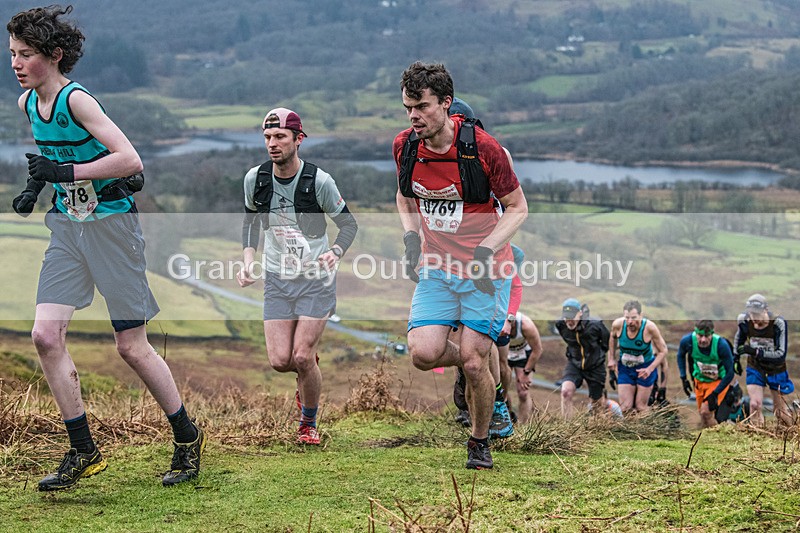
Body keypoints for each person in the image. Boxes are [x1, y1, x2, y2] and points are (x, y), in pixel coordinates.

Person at [7, 5, 203, 490]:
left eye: (25, 54)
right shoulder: (27, 103)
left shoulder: (78, 102)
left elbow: (128, 158)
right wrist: (38, 188)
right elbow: (53, 160)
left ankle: (186, 438)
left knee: (130, 347)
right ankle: (83, 451)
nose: (15, 62)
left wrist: (64, 175)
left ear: (53, 56)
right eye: (11, 53)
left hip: (113, 231)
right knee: (45, 336)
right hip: (68, 230)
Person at [394, 62, 527, 470]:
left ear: (446, 104)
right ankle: (480, 360)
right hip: (438, 268)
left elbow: (519, 208)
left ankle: (479, 441)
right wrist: (412, 238)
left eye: (422, 106)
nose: (414, 116)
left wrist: (486, 249)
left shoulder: (484, 149)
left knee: (473, 361)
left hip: (486, 273)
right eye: (407, 107)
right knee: (423, 352)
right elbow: (404, 195)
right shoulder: (405, 146)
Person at [237, 107, 358, 445]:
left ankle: (308, 424)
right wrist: (248, 260)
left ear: (298, 139)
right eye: (267, 137)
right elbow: (249, 223)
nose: (272, 144)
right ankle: (309, 371)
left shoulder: (318, 181)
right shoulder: (255, 179)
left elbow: (348, 224)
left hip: (315, 280)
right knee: (280, 361)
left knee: (301, 357)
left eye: (280, 137)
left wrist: (334, 253)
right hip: (277, 277)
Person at [733, 294, 794, 426]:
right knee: (754, 405)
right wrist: (735, 358)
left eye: (756, 314)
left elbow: (781, 354)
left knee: (780, 412)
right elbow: (739, 338)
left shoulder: (778, 323)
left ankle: (793, 435)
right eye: (751, 314)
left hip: (776, 369)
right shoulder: (744, 320)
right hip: (755, 367)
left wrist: (756, 352)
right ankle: (757, 439)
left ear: (765, 310)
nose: (753, 319)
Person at [607, 300, 668, 413]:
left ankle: (647, 430)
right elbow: (612, 337)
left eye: (634, 318)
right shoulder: (618, 325)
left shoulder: (649, 328)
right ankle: (629, 430)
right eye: (627, 318)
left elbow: (663, 351)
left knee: (641, 407)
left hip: (645, 368)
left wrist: (650, 369)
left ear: (641, 315)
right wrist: (611, 358)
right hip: (625, 368)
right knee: (625, 408)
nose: (630, 322)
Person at [555, 298, 610, 418]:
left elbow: (607, 342)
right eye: (566, 317)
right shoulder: (560, 324)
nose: (569, 321)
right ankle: (567, 430)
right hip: (575, 363)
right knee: (565, 392)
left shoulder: (595, 325)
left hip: (595, 366)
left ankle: (597, 427)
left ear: (580, 313)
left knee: (596, 403)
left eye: (572, 317)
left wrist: (599, 356)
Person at [677, 320, 734, 428]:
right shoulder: (687, 341)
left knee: (705, 412)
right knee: (703, 415)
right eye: (700, 335)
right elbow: (680, 355)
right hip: (699, 380)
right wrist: (683, 378)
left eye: (707, 336)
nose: (703, 339)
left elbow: (730, 372)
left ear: (712, 334)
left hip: (717, 381)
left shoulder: (721, 345)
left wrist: (715, 393)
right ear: (695, 333)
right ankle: (708, 438)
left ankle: (720, 435)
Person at [504, 311, 543, 423]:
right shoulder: (497, 322)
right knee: (501, 390)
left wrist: (526, 373)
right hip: (505, 354)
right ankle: (508, 419)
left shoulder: (526, 325)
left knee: (523, 392)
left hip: (523, 355)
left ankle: (523, 426)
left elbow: (538, 350)